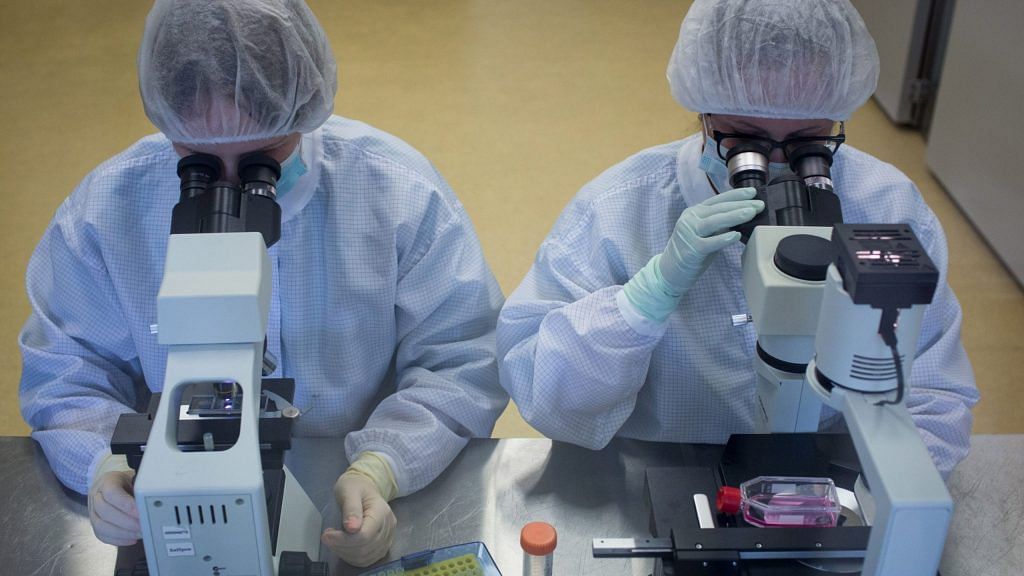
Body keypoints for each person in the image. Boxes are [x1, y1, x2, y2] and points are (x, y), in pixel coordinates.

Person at [19, 0, 507, 567]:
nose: (228, 183)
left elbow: (463, 357)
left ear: (301, 110)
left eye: (261, 160)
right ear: (167, 120)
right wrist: (103, 464)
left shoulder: (394, 192)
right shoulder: (107, 211)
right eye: (198, 161)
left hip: (345, 485)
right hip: (179, 499)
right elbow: (66, 375)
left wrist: (385, 463)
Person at [497, 0, 978, 479]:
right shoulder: (620, 207)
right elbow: (546, 397)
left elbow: (934, 394)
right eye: (745, 139)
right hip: (658, 476)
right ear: (704, 116)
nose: (776, 165)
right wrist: (643, 301)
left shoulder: (886, 205)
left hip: (831, 479)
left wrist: (873, 498)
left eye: (808, 142)